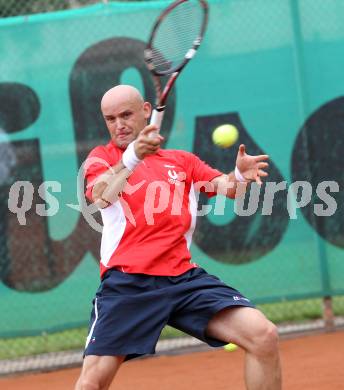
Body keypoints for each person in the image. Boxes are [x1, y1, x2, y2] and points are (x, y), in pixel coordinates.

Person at [75, 85, 282, 390]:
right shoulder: (101, 158)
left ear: (147, 110)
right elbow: (102, 196)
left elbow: (227, 188)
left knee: (264, 336)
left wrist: (239, 176)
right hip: (130, 284)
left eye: (126, 115)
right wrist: (132, 157)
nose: (118, 124)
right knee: (92, 382)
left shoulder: (180, 161)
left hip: (183, 280)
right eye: (110, 118)